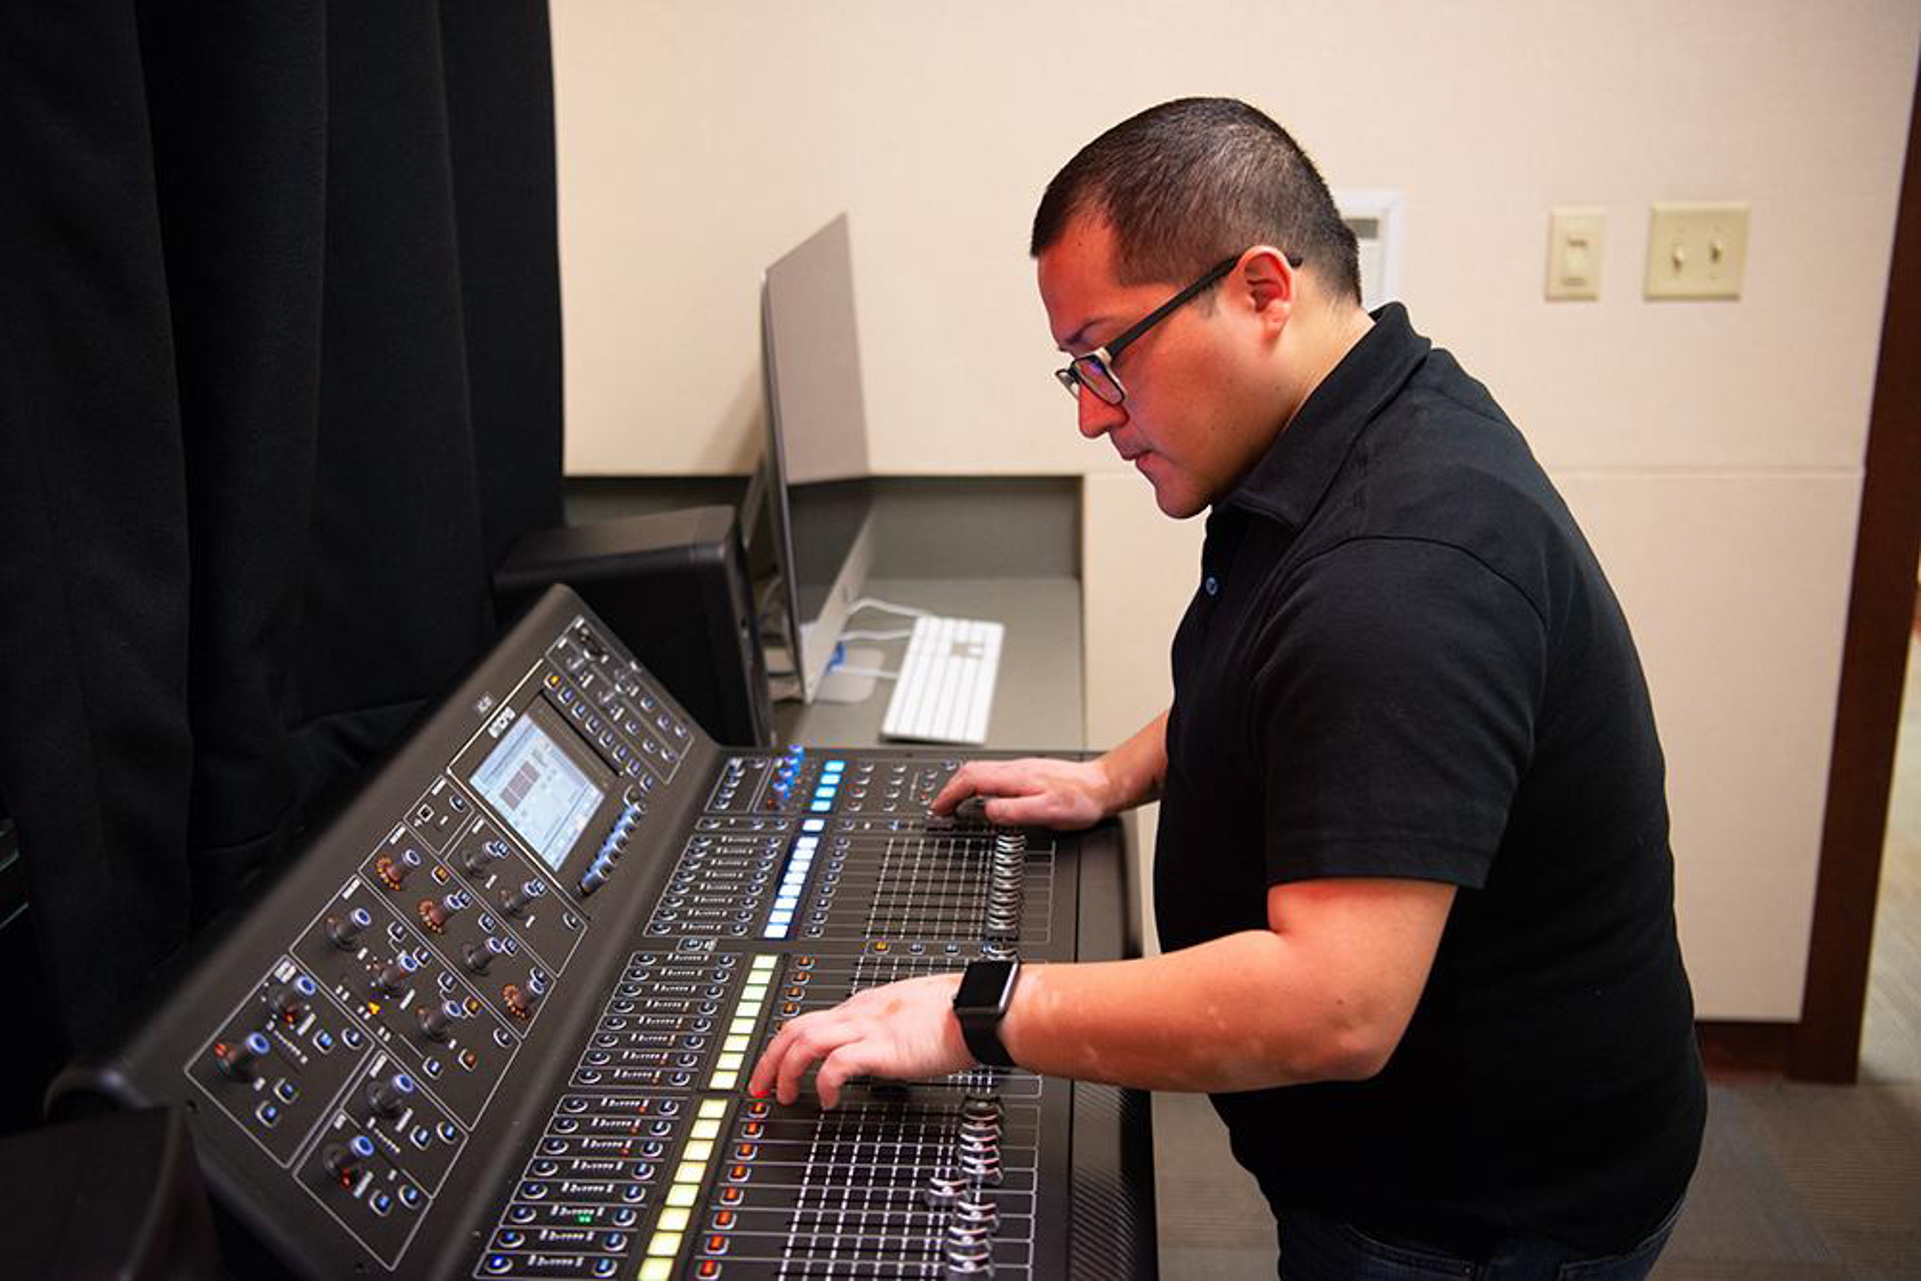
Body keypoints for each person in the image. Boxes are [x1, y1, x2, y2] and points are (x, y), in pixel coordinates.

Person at [747, 97, 1706, 1278]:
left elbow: (1332, 1006)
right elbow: (1277, 674)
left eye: (1109, 354)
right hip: (1432, 1156)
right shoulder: (1365, 420)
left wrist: (969, 1013)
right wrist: (1115, 774)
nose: (1095, 414)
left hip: (1478, 1215)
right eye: (1073, 372)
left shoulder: (1398, 574)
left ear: (1260, 289)